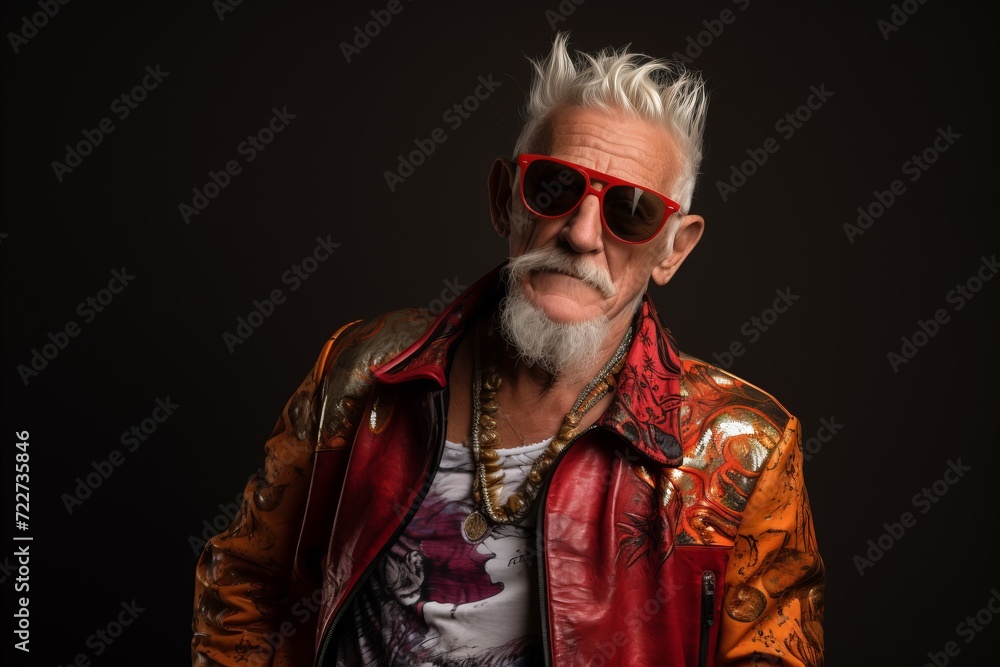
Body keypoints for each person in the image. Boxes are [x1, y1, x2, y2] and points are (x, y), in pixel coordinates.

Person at [192, 32, 824, 667]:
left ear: (674, 249)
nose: (580, 234)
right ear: (504, 198)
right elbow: (245, 580)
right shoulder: (362, 371)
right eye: (554, 188)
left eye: (630, 212)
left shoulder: (744, 453)